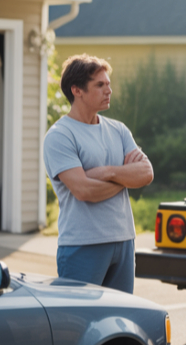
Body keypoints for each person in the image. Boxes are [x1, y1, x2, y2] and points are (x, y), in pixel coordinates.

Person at [43, 54, 153, 293]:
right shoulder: (59, 136)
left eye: (108, 84)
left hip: (124, 240)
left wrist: (106, 172)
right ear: (77, 90)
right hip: (83, 244)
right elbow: (84, 190)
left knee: (119, 320)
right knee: (80, 323)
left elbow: (146, 173)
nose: (108, 90)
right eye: (100, 85)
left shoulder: (119, 130)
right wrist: (125, 178)